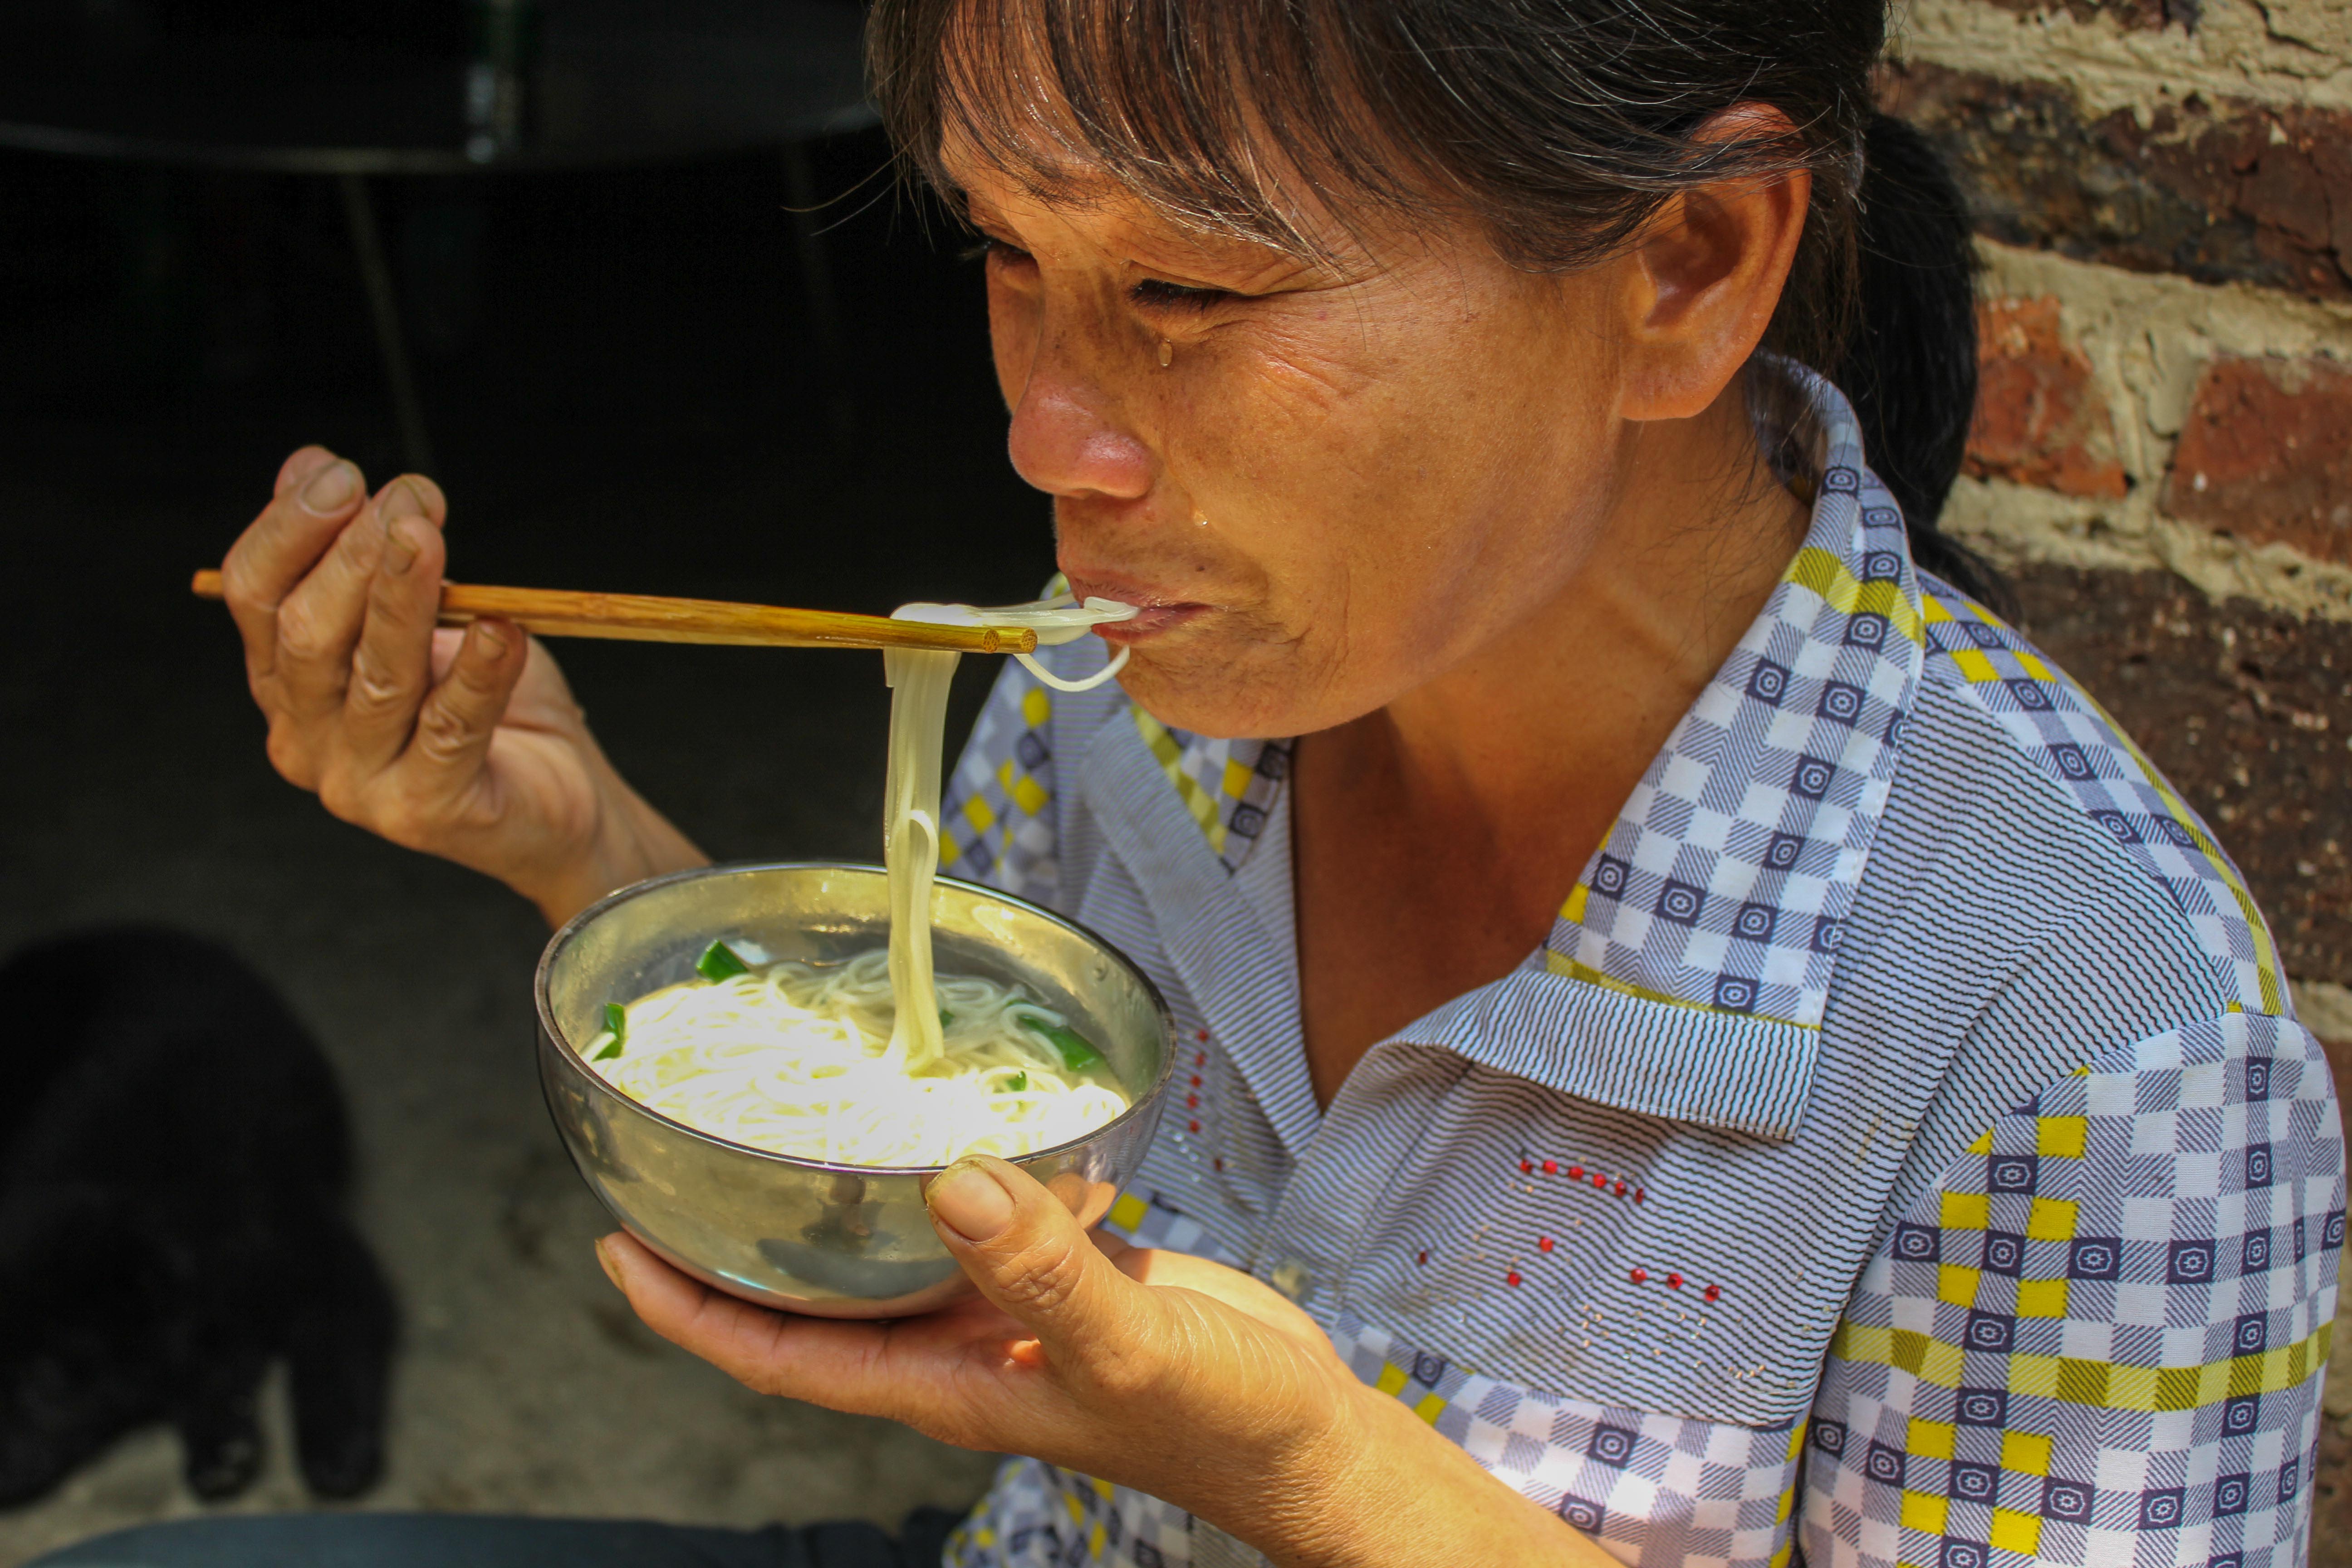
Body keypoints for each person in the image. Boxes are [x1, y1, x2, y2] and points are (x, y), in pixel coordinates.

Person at [48, 0, 2341, 1563]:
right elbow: (934, 1141)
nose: (1053, 432)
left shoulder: (2097, 1050)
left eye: (1187, 297)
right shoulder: (1146, 680)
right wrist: (591, 851)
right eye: (1008, 260)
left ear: (1683, 266)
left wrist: (1316, 1481)